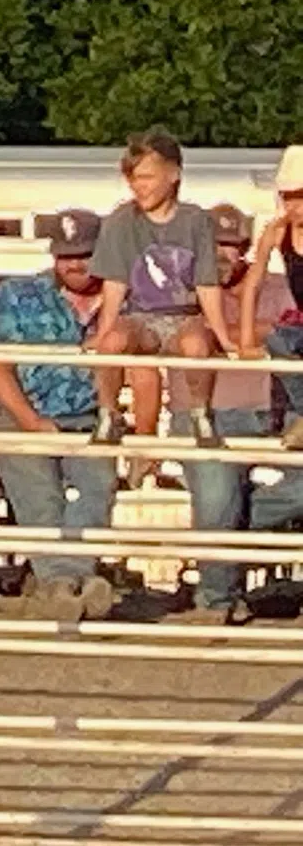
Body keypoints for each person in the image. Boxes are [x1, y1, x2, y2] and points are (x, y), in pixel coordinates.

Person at [0, 210, 116, 620]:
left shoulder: (121, 297)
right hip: (22, 409)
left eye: (85, 254)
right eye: (65, 255)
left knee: (98, 485)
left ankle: (62, 583)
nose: (74, 264)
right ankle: (69, 582)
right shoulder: (19, 294)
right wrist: (31, 420)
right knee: (39, 491)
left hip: (88, 414)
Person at [174, 204, 303, 624]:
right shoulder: (176, 291)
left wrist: (244, 333)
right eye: (216, 246)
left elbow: (286, 332)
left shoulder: (280, 285)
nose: (226, 255)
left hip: (273, 414)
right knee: (215, 494)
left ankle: (229, 529)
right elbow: (204, 337)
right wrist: (263, 332)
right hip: (206, 415)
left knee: (224, 506)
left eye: (235, 247)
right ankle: (215, 601)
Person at [89, 129, 231, 450]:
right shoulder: (121, 221)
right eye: (134, 179)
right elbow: (115, 284)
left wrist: (223, 335)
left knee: (196, 345)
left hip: (184, 316)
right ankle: (108, 414)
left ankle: (200, 415)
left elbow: (206, 283)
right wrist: (104, 331)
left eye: (147, 177)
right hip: (140, 315)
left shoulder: (196, 220)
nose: (140, 187)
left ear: (174, 174)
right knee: (112, 342)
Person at [238, 143, 303, 448]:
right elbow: (253, 282)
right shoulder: (277, 231)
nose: (296, 205)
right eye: (289, 197)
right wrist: (247, 339)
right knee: (278, 338)